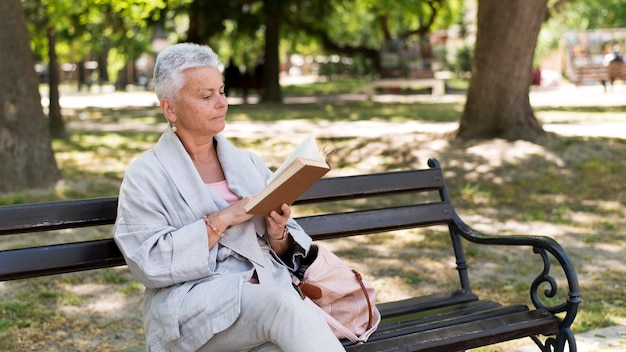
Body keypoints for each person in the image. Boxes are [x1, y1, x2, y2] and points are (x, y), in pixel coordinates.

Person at [113, 43, 345, 352]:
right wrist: (222, 219)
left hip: (263, 300)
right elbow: (148, 263)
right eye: (206, 96)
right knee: (282, 305)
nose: (221, 103)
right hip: (195, 307)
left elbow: (290, 247)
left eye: (222, 92)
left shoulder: (247, 162)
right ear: (170, 108)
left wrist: (278, 234)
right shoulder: (146, 176)